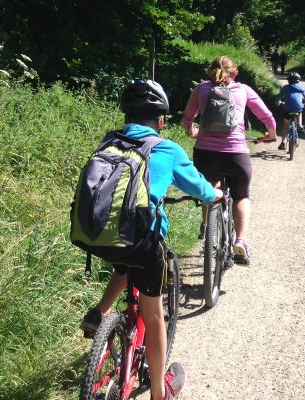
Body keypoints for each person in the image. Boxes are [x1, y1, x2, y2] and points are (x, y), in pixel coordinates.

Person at [79, 79, 223, 400]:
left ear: (126, 117)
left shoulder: (109, 141)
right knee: (154, 315)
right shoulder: (167, 149)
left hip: (104, 232)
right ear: (160, 121)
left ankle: (100, 313)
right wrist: (215, 194)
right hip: (144, 240)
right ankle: (159, 391)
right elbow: (199, 187)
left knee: (124, 261)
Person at [183, 56, 276, 265]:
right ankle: (241, 241)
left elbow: (188, 117)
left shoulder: (201, 89)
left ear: (211, 71)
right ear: (234, 73)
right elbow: (267, 116)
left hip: (206, 153)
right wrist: (271, 134)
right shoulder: (243, 90)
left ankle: (207, 227)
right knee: (241, 195)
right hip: (236, 153)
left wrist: (193, 132)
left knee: (210, 189)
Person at [274, 72, 305, 150]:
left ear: (288, 80)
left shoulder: (285, 88)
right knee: (300, 110)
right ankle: (300, 124)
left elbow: (278, 98)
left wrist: (278, 103)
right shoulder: (302, 88)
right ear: (298, 80)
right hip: (298, 108)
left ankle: (283, 143)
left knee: (286, 125)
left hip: (287, 108)